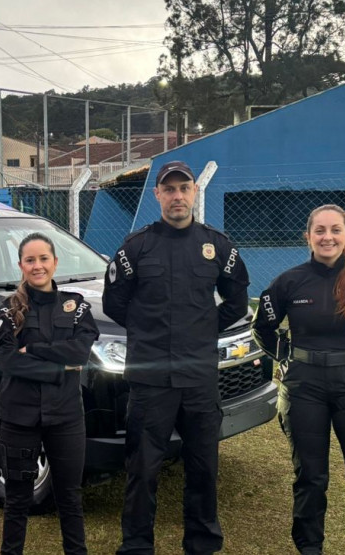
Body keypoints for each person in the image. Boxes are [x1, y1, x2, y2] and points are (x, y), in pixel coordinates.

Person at [103, 160, 250, 554]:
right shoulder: (136, 246)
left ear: (194, 192)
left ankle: (202, 544)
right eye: (169, 189)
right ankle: (137, 546)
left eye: (184, 188)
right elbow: (114, 303)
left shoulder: (218, 246)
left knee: (203, 467)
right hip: (150, 381)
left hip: (199, 378)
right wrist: (150, 332)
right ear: (157, 195)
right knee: (142, 469)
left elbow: (237, 301)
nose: (177, 196)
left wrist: (201, 330)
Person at [251, 204, 345, 555]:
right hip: (304, 388)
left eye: (335, 230)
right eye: (319, 230)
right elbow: (263, 328)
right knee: (310, 476)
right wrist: (286, 355)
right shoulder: (288, 282)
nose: (327, 237)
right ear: (308, 236)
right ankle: (310, 547)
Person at [0, 232, 99, 555]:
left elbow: (80, 353)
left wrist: (35, 349)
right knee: (17, 499)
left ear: (55, 262)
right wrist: (58, 370)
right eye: (30, 260)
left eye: (43, 259)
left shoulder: (76, 306)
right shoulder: (9, 311)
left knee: (70, 497)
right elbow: (9, 362)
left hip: (66, 417)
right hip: (18, 417)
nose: (37, 266)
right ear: (21, 266)